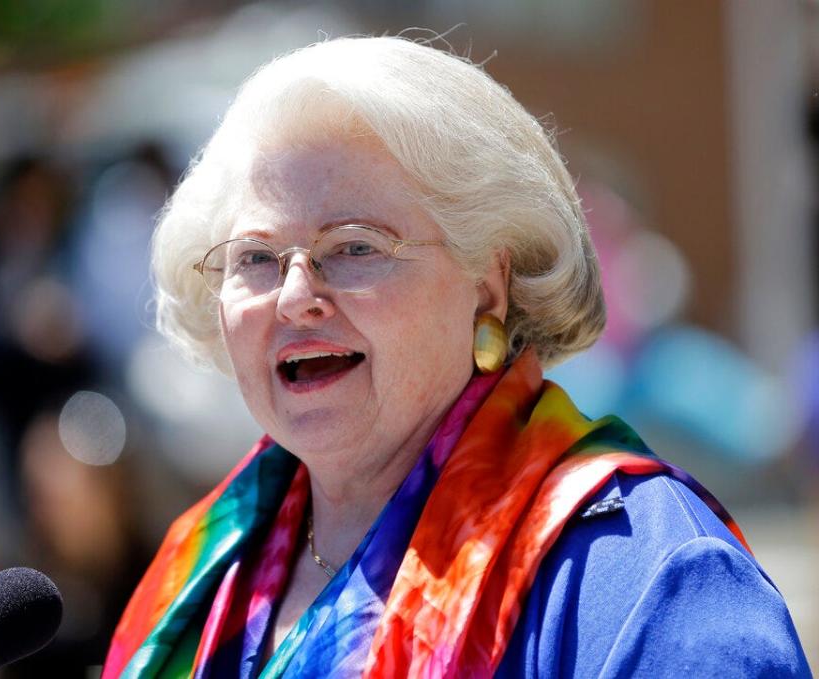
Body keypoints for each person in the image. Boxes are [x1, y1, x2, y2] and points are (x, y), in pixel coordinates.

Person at [102, 37, 810, 677]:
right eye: (256, 257)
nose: (294, 297)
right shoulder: (197, 566)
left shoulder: (641, 571)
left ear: (489, 285)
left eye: (354, 246)